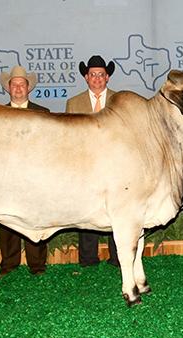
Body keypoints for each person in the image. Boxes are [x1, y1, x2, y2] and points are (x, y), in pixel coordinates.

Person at [0, 66, 50, 278]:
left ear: (29, 87)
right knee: (7, 219)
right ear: (8, 88)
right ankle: (9, 265)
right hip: (6, 176)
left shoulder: (42, 113)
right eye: (14, 84)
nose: (18, 88)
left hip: (35, 176)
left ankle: (37, 265)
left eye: (22, 84)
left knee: (36, 219)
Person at [65, 55, 119, 267]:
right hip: (84, 167)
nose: (97, 78)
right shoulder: (74, 102)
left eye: (101, 74)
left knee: (117, 210)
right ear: (86, 77)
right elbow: (68, 136)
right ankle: (88, 259)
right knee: (86, 210)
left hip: (114, 166)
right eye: (93, 74)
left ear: (107, 78)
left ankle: (117, 257)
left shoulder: (119, 100)